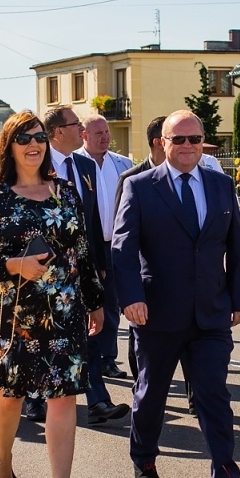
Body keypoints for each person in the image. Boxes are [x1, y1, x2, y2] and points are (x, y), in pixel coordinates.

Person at [0, 112, 105, 478]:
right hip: (12, 320)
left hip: (63, 314)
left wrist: (95, 300)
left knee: (63, 398)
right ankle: (3, 459)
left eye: (40, 137)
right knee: (10, 396)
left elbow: (83, 250)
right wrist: (15, 265)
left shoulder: (65, 193)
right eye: (24, 138)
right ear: (8, 147)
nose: (34, 144)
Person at [113, 110, 240, 478]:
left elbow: (236, 248)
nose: (188, 146)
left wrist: (239, 298)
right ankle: (144, 459)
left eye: (195, 139)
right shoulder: (139, 186)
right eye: (179, 139)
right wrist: (130, 298)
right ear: (162, 143)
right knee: (151, 392)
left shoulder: (221, 184)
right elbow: (122, 249)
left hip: (211, 313)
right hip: (157, 313)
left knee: (214, 395)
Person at [34, 106, 124, 427]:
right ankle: (35, 396)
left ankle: (98, 400)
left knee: (88, 334)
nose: (81, 132)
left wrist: (98, 266)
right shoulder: (38, 165)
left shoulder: (85, 165)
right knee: (51, 334)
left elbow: (94, 217)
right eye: (75, 126)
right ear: (58, 132)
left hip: (84, 263)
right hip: (48, 270)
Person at [81, 113, 135, 383]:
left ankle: (107, 357)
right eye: (97, 133)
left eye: (106, 132)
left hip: (115, 243)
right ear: (84, 136)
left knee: (111, 302)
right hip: (86, 243)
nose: (104, 137)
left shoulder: (123, 164)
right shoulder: (76, 164)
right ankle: (85, 353)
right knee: (87, 301)